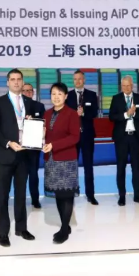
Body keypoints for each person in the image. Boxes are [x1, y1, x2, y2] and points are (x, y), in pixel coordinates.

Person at [0, 69, 36, 247]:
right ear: (7, 82)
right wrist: (8, 143)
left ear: (22, 82)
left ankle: (21, 228)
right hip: (5, 154)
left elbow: (36, 125)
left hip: (24, 155)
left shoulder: (29, 103)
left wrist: (32, 122)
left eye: (19, 79)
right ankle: (3, 232)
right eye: (13, 79)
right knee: (2, 196)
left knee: (21, 194)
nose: (16, 82)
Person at [43, 82, 81, 244]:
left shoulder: (72, 114)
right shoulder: (46, 114)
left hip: (66, 160)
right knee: (58, 194)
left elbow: (74, 137)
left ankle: (64, 229)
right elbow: (44, 135)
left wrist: (54, 145)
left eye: (59, 94)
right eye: (53, 94)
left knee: (67, 194)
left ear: (65, 96)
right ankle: (65, 225)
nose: (56, 97)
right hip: (51, 160)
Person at [109, 75, 139, 206]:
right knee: (121, 167)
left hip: (136, 138)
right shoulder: (116, 98)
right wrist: (126, 114)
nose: (126, 88)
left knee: (136, 168)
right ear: (121, 86)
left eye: (128, 86)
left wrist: (134, 113)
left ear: (132, 86)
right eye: (124, 86)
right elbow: (111, 117)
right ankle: (122, 196)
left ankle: (138, 196)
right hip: (121, 138)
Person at [65, 70, 99, 205]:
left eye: (80, 79)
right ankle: (70, 194)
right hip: (72, 137)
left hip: (87, 136)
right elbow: (64, 115)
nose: (77, 81)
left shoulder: (92, 95)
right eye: (75, 79)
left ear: (84, 80)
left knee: (88, 166)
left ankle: (90, 195)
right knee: (71, 166)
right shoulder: (68, 96)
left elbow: (95, 113)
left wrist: (84, 113)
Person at [22, 82, 45, 209]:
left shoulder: (39, 106)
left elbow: (43, 123)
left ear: (33, 92)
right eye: (25, 90)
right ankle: (20, 199)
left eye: (30, 90)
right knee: (20, 175)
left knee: (33, 174)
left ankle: (35, 199)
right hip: (19, 146)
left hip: (33, 145)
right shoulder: (17, 106)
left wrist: (33, 121)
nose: (27, 93)